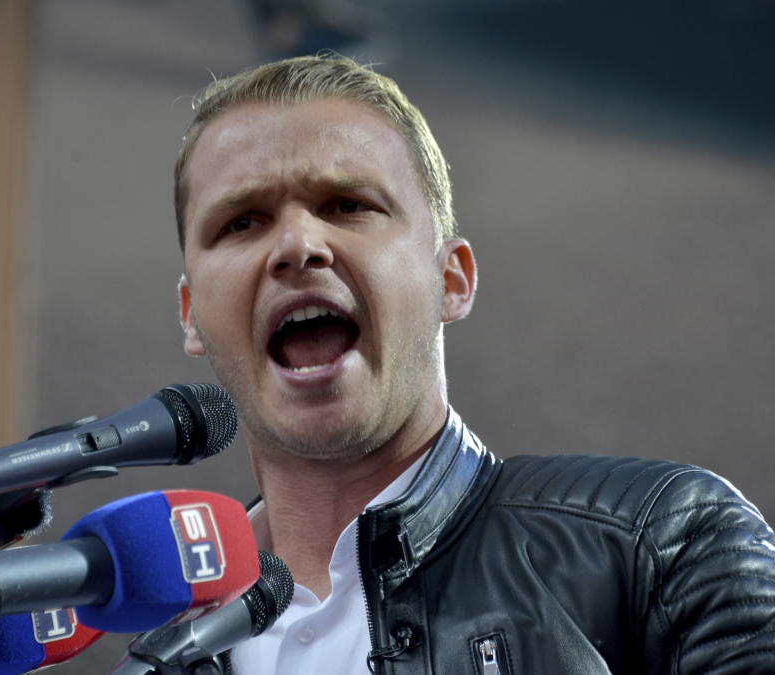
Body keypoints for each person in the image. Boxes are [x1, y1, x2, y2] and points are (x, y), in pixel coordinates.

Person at [172, 54, 775, 674]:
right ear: (191, 315)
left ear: (451, 279)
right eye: (242, 222)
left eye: (348, 205)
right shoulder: (160, 654)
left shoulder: (661, 549)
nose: (298, 245)